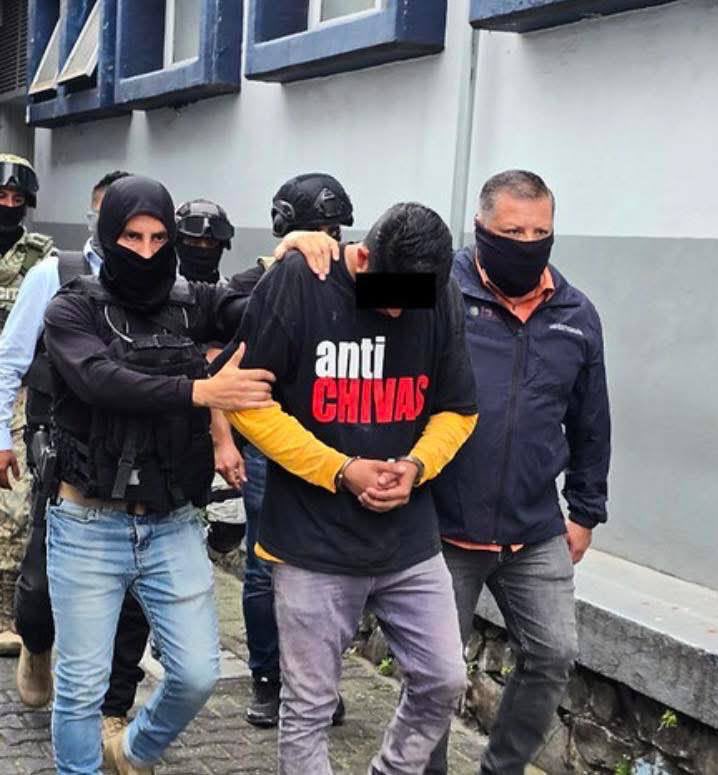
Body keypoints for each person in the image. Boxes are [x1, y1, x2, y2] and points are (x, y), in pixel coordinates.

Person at [275, 170, 612, 775]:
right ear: (480, 231)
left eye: (541, 232)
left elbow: (591, 419)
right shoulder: (436, 282)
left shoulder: (576, 314)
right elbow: (350, 271)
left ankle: (501, 767)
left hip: (533, 526)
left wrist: (585, 509)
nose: (528, 242)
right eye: (512, 230)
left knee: (551, 655)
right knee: (430, 676)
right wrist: (296, 244)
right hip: (445, 522)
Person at [214, 201, 479, 775]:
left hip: (408, 541)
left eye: (408, 302)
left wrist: (416, 465)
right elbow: (248, 406)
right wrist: (340, 468)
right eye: (385, 296)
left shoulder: (441, 295)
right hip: (313, 542)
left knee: (442, 677)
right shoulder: (300, 282)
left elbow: (459, 410)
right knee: (308, 706)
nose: (394, 312)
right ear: (363, 257)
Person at [42, 174, 275, 774]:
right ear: (106, 234)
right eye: (130, 236)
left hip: (171, 524)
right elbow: (99, 379)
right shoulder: (72, 305)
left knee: (198, 673)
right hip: (88, 523)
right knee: (82, 686)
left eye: (157, 237)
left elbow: (253, 302)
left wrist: (298, 253)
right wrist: (201, 389)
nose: (145, 251)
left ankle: (133, 749)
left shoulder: (189, 302)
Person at [0, 170, 159, 755]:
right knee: (40, 588)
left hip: (142, 464)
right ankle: (37, 643)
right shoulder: (57, 273)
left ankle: (112, 706)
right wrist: (3, 438)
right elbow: (10, 360)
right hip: (63, 456)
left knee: (134, 598)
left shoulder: (167, 282)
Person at [226, 171, 354, 728]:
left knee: (330, 572)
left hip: (334, 445)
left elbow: (423, 295)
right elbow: (227, 322)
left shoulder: (351, 280)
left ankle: (317, 679)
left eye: (334, 229)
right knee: (263, 565)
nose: (328, 239)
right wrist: (286, 259)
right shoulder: (254, 281)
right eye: (317, 229)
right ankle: (267, 678)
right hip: (271, 444)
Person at [0, 153, 54, 657]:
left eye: (18, 200)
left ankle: (6, 610)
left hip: (13, 386)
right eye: (2, 197)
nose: (10, 205)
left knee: (13, 500)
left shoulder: (42, 256)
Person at [175, 198, 235, 284]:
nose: (203, 248)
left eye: (211, 244)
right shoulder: (160, 291)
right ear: (178, 242)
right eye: (194, 242)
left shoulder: (233, 293)